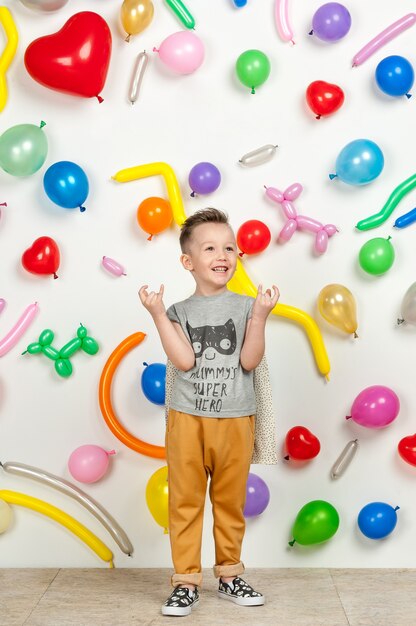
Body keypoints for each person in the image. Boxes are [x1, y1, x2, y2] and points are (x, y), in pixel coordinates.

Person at [139, 208, 279, 617]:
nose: (223, 255)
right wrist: (156, 314)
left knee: (229, 501)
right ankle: (185, 582)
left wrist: (260, 317)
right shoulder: (180, 312)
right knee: (185, 501)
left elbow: (250, 361)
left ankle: (230, 574)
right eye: (211, 248)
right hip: (188, 419)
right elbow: (183, 361)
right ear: (188, 262)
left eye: (230, 247)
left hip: (237, 418)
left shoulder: (247, 305)